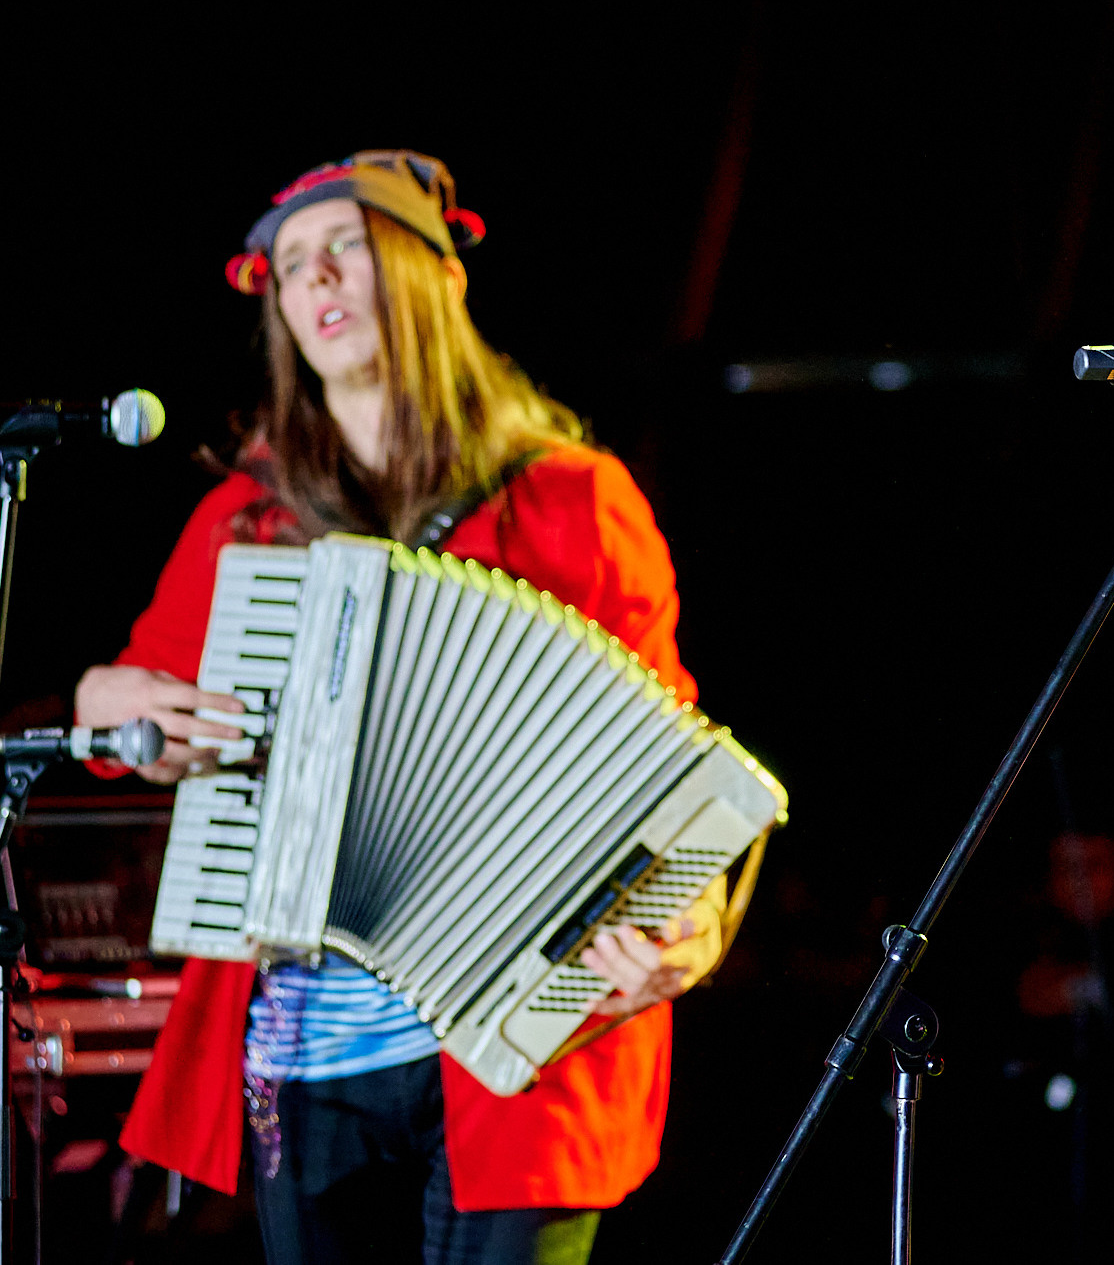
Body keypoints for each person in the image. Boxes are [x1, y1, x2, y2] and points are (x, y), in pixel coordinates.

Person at [75, 152, 724, 1263]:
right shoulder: (245, 522)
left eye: (345, 248)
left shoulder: (571, 500)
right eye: (289, 266)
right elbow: (118, 705)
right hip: (305, 1048)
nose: (314, 276)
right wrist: (115, 703)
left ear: (433, 276)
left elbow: (665, 769)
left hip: (520, 1046)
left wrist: (693, 929)